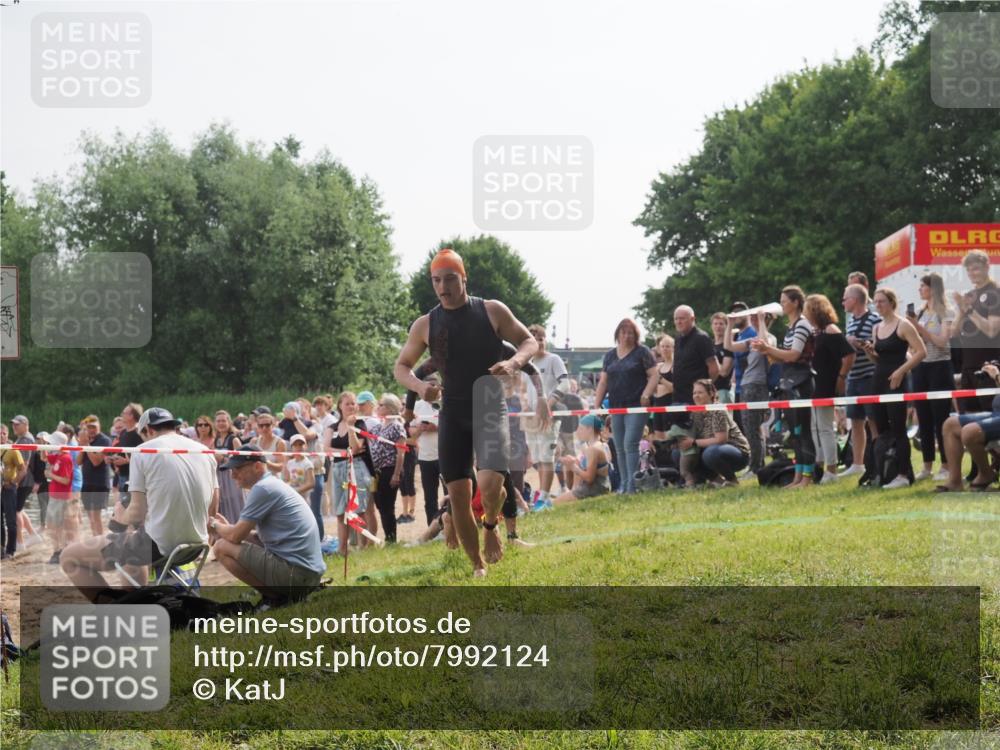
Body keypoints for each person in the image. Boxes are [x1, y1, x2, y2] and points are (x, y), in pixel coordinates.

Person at [394, 247, 543, 577]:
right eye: (436, 281)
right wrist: (420, 389)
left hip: (490, 407)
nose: (443, 287)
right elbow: (402, 367)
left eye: (450, 279)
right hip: (453, 412)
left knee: (491, 485)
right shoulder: (425, 324)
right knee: (459, 494)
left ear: (464, 278)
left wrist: (513, 362)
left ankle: (491, 524)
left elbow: (528, 342)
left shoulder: (491, 311)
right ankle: (477, 565)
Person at [60, 408, 218, 602]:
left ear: (148, 431)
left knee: (69, 557)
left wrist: (120, 516)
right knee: (131, 542)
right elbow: (213, 509)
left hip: (160, 547)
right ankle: (139, 598)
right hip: (196, 544)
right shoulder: (204, 450)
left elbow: (136, 513)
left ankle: (118, 608)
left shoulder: (144, 451)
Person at [213, 444, 325, 606]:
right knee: (227, 541)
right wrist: (227, 529)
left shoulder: (263, 489)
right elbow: (251, 536)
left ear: (257, 466)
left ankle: (276, 598)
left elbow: (235, 536)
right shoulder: (270, 483)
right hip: (308, 574)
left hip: (299, 576)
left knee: (221, 547)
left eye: (237, 469)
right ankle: (280, 595)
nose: (232, 475)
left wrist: (214, 525)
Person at [861, 287, 927, 488]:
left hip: (896, 381)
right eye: (876, 302)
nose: (877, 306)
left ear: (891, 302)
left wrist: (901, 371)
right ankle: (889, 469)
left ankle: (904, 474)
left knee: (899, 428)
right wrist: (869, 352)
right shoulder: (876, 327)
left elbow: (921, 352)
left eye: (881, 301)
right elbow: (879, 359)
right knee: (882, 429)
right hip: (879, 380)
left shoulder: (903, 325)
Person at [751, 285, 816, 488]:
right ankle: (797, 477)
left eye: (784, 301)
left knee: (803, 431)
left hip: (802, 382)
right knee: (794, 434)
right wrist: (766, 350)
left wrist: (769, 349)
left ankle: (807, 477)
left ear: (795, 302)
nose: (781, 304)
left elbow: (794, 355)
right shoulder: (790, 327)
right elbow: (779, 359)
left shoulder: (803, 325)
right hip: (788, 381)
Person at [593, 318, 658, 494]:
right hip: (616, 406)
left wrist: (646, 394)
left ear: (635, 335)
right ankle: (624, 483)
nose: (627, 336)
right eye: (623, 332)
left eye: (630, 332)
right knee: (619, 445)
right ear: (618, 334)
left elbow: (654, 375)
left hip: (637, 405)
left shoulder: (642, 352)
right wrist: (597, 405)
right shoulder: (610, 355)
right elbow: (603, 381)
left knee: (630, 443)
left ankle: (632, 485)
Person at [908, 273, 956, 481]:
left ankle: (946, 465)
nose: (920, 290)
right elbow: (914, 344)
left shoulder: (946, 312)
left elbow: (942, 341)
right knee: (924, 418)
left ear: (933, 289)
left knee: (941, 418)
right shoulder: (919, 312)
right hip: (921, 368)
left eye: (923, 287)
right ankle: (927, 466)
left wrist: (917, 328)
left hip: (940, 367)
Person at [804, 294, 855, 483]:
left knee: (825, 428)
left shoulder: (831, 330)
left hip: (826, 383)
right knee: (816, 426)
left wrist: (841, 377)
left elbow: (849, 354)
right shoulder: (817, 332)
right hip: (816, 384)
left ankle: (831, 470)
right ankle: (820, 465)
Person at [522, 324, 569, 508]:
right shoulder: (527, 364)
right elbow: (523, 390)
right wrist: (525, 409)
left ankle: (543, 498)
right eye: (534, 339)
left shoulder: (554, 359)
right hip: (531, 418)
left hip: (550, 416)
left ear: (545, 340)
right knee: (538, 459)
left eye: (541, 338)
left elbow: (565, 384)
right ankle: (543, 495)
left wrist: (547, 405)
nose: (539, 342)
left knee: (547, 457)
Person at [936, 362, 1000, 493]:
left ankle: (985, 473)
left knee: (970, 432)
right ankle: (954, 482)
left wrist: (997, 376)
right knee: (950, 424)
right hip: (996, 412)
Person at [677, 379, 751, 487]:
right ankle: (717, 481)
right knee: (679, 453)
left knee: (710, 453)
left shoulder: (718, 410)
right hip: (711, 448)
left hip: (737, 452)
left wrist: (693, 442)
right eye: (694, 393)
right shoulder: (694, 413)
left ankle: (732, 480)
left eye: (700, 392)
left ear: (711, 394)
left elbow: (721, 439)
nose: (696, 396)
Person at [725, 309, 773, 474]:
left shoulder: (769, 338)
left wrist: (760, 321)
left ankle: (756, 466)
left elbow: (764, 346)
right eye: (752, 318)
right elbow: (728, 346)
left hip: (757, 385)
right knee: (749, 427)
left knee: (753, 427)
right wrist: (730, 325)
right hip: (746, 384)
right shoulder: (751, 340)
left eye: (756, 318)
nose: (752, 320)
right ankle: (757, 464)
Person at [953, 250, 1000, 412]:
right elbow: (954, 332)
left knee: (989, 417)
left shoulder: (996, 292)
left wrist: (969, 309)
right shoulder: (969, 295)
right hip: (968, 366)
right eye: (969, 270)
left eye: (976, 269)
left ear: (987, 267)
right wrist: (961, 309)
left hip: (989, 367)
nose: (972, 273)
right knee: (968, 419)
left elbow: (992, 330)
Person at [329, 392, 373, 556]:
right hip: (338, 469)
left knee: (359, 510)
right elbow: (325, 449)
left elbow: (355, 448)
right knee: (341, 513)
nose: (351, 406)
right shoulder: (331, 427)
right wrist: (345, 452)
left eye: (353, 403)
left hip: (357, 468)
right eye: (347, 403)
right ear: (340, 406)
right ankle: (343, 550)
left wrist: (350, 428)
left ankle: (363, 548)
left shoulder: (360, 424)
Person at [370, 394, 407, 544]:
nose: (378, 407)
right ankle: (389, 536)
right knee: (380, 504)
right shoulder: (378, 426)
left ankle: (391, 539)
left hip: (390, 469)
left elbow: (401, 453)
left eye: (381, 405)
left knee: (387, 505)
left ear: (390, 408)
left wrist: (396, 474)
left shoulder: (397, 426)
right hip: (377, 471)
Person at [670, 306, 720, 410]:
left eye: (682, 318)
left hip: (697, 400)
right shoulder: (678, 339)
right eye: (676, 319)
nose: (678, 322)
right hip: (679, 397)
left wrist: (704, 390)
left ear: (692, 319)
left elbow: (714, 368)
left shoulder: (701, 338)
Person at [552, 415, 611, 503]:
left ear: (589, 429)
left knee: (554, 504)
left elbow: (589, 478)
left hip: (595, 488)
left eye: (580, 428)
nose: (578, 432)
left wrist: (574, 467)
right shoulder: (603, 445)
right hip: (603, 486)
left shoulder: (593, 449)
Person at [42, 431, 78, 565]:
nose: (49, 445)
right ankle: (58, 550)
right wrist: (43, 447)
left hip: (61, 497)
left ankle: (60, 551)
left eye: (51, 443)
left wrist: (51, 475)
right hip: (55, 496)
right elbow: (44, 458)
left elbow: (66, 480)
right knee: (53, 525)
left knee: (56, 526)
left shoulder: (65, 458)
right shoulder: (58, 456)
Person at [411, 375, 442, 525]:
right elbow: (409, 430)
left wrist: (435, 428)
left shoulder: (447, 403)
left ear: (440, 387)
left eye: (434, 386)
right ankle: (433, 527)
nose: (431, 389)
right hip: (425, 457)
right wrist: (420, 429)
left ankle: (452, 524)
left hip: (445, 455)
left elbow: (456, 427)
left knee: (451, 493)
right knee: (430, 497)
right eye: (428, 386)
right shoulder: (417, 406)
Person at [76, 415, 111, 538]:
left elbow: (96, 461)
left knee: (96, 516)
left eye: (93, 427)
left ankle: (101, 541)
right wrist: (82, 445)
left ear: (99, 426)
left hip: (100, 482)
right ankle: (96, 539)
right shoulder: (87, 441)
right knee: (90, 517)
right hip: (87, 482)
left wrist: (86, 445)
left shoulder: (104, 440)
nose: (91, 430)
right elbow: (78, 461)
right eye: (88, 427)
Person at [212, 410, 245, 527]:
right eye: (218, 421)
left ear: (229, 422)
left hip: (232, 477)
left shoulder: (233, 439)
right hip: (220, 476)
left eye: (223, 421)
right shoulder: (216, 440)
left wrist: (224, 458)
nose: (221, 423)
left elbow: (242, 459)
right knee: (223, 503)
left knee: (235, 503)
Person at [10, 416, 37, 549]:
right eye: (13, 425)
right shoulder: (24, 438)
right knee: (19, 509)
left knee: (15, 510)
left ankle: (20, 542)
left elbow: (24, 465)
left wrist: (16, 482)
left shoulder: (26, 439)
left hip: (24, 480)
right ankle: (33, 535)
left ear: (26, 425)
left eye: (17, 425)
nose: (14, 427)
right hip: (26, 480)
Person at [1, 423, 25, 560]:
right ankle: (1, 550)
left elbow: (23, 469)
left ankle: (11, 550)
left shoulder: (13, 450)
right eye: (0, 434)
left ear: (8, 435)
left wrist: (13, 482)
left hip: (9, 489)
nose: (2, 436)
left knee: (11, 521)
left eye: (4, 433)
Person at [651, 334, 675, 441]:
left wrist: (661, 379)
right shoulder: (658, 366)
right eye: (663, 346)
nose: (665, 349)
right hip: (657, 404)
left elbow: (675, 388)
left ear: (673, 348)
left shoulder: (676, 366)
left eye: (668, 346)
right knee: (658, 436)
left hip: (669, 402)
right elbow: (653, 388)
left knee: (669, 436)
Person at [710, 312, 736, 404]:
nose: (718, 326)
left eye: (721, 324)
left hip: (723, 390)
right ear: (711, 326)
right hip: (708, 391)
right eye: (715, 323)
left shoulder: (728, 346)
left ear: (726, 326)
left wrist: (711, 360)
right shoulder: (709, 345)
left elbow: (724, 372)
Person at [282, 434, 316, 502]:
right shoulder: (290, 463)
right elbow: (287, 479)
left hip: (303, 500)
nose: (298, 447)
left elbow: (311, 483)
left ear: (305, 446)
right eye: (295, 445)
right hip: (291, 498)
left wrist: (296, 491)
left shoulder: (307, 463)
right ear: (292, 448)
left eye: (300, 444)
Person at [254, 413, 286, 477]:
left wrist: (266, 463)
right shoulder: (254, 441)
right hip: (257, 478)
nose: (264, 428)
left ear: (273, 425)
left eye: (267, 425)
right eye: (261, 425)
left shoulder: (279, 443)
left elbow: (281, 467)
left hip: (273, 479)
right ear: (257, 427)